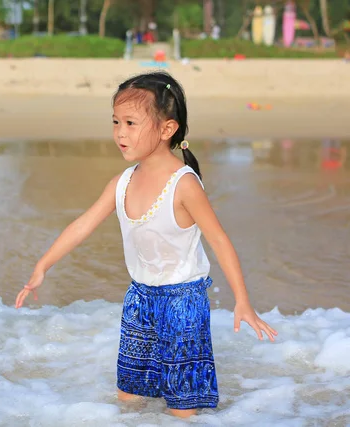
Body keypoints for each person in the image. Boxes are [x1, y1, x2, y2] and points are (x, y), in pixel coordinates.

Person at [15, 72, 277, 419]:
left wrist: (242, 301)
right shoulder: (121, 182)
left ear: (167, 129)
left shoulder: (183, 185)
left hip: (183, 303)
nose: (120, 133)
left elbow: (219, 240)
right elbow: (83, 225)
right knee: (130, 394)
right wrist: (42, 266)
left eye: (131, 123)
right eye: (115, 122)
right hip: (139, 298)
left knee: (183, 404)